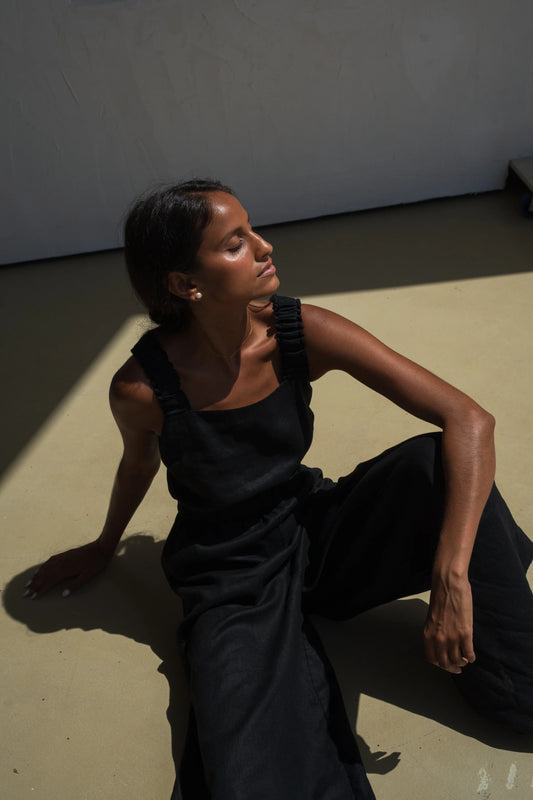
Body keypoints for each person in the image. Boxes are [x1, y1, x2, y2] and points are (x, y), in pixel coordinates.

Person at [26, 179, 533, 799]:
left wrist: (450, 576)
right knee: (254, 771)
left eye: (253, 230)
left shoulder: (300, 331)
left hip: (312, 525)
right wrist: (106, 545)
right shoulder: (141, 389)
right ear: (187, 283)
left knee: (435, 468)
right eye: (236, 243)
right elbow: (139, 465)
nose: (266, 247)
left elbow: (468, 420)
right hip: (228, 573)